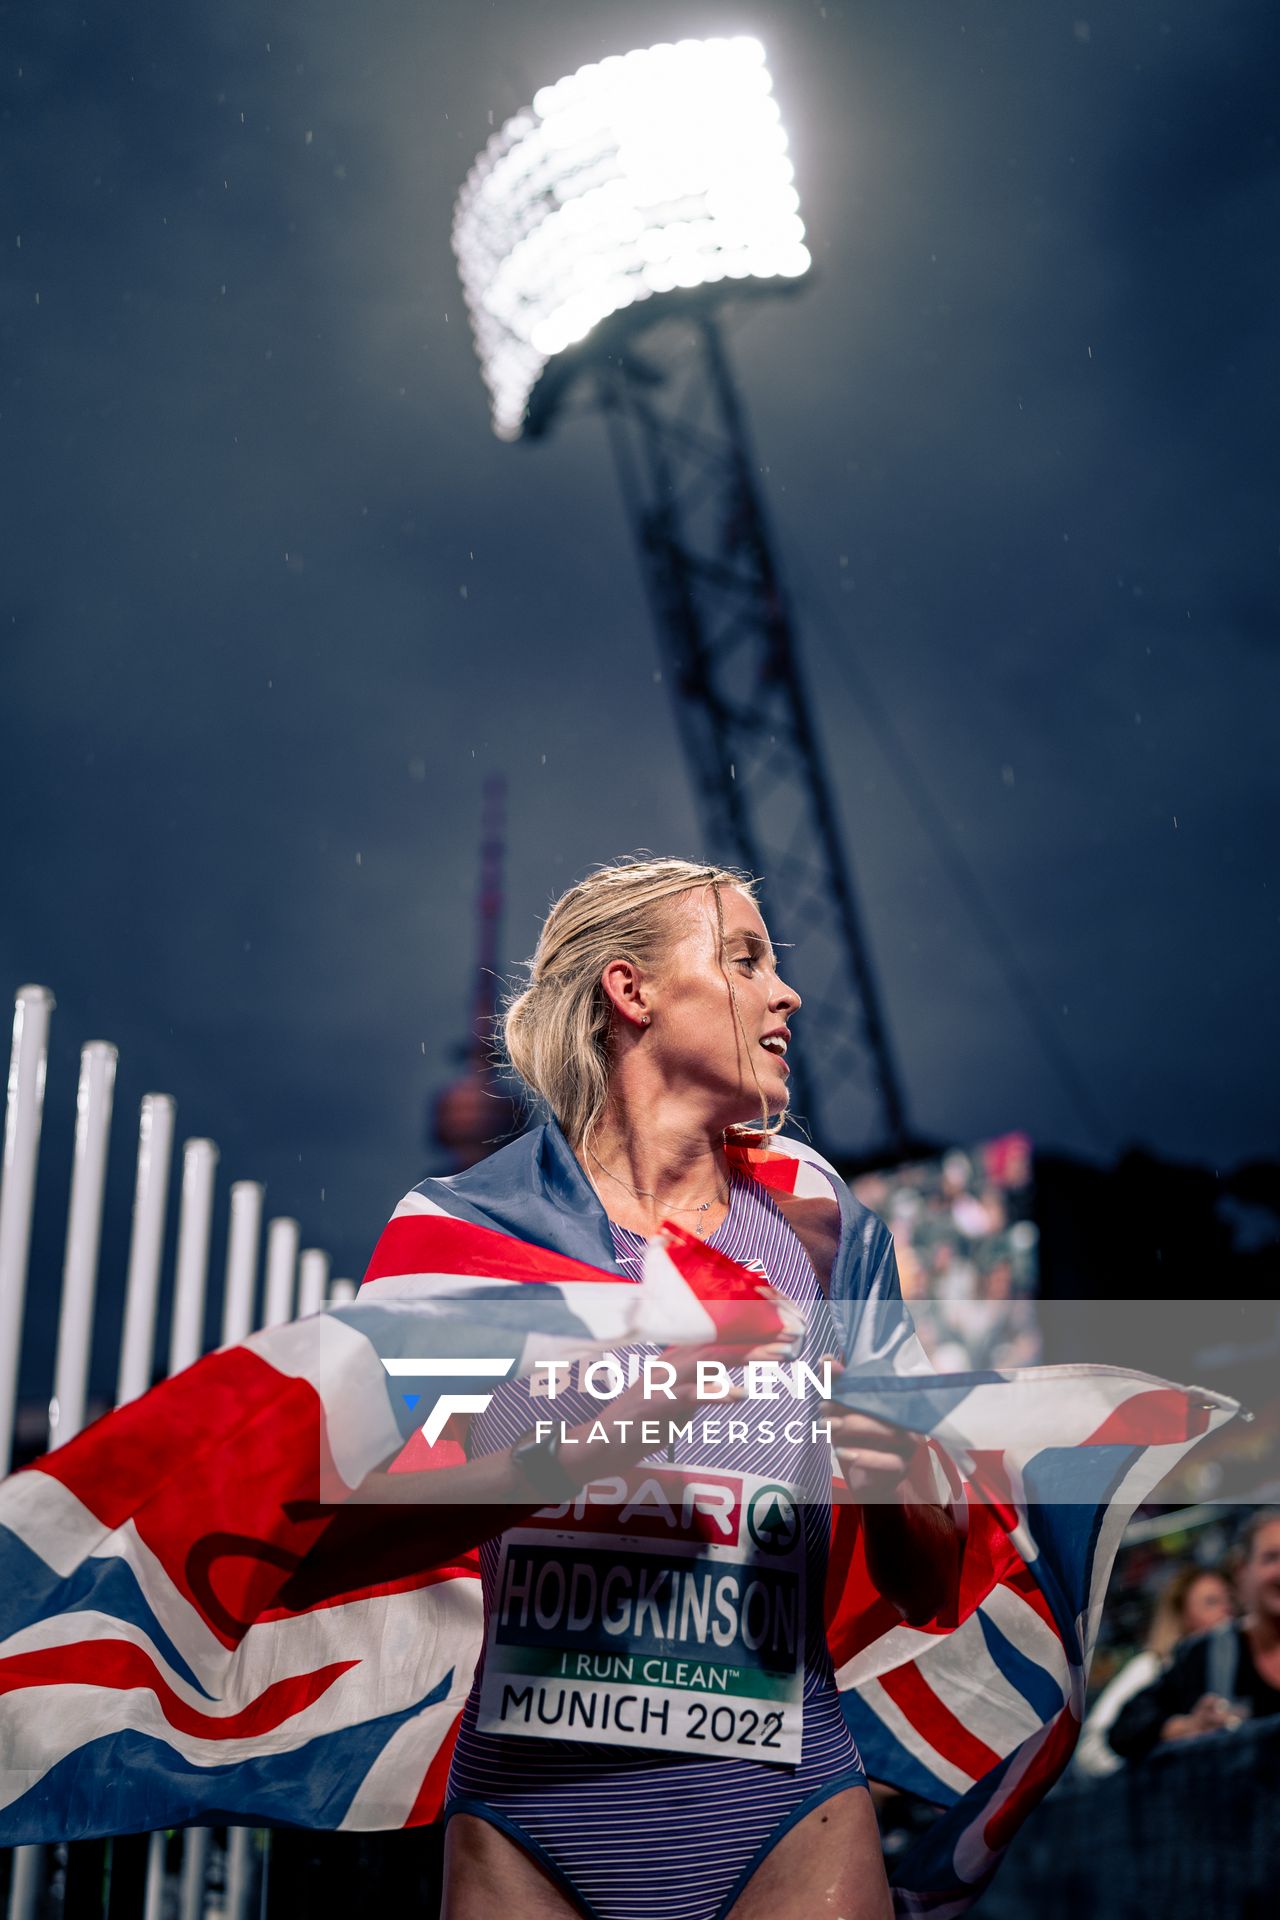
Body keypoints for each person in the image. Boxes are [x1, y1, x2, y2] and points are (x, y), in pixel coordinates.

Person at [394, 857, 957, 1920]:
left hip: (787, 1818)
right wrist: (624, 1426)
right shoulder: (467, 1236)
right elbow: (405, 1514)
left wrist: (901, 1492)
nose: (784, 993)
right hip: (529, 1826)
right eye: (744, 959)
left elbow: (930, 1583)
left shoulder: (829, 1237)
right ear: (630, 991)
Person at [1107, 1509, 1280, 1763]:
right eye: (1271, 1557)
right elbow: (1123, 1730)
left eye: (1224, 1601)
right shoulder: (1205, 1654)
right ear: (1242, 1571)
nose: (1224, 1610)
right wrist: (1188, 1727)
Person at [1074, 1562, 1233, 1776]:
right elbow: (1091, 1747)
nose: (1226, 1610)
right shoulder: (1152, 1666)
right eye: (1211, 1602)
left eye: (1228, 1600)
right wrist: (1144, 1772)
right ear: (1182, 1614)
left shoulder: (1231, 1665)